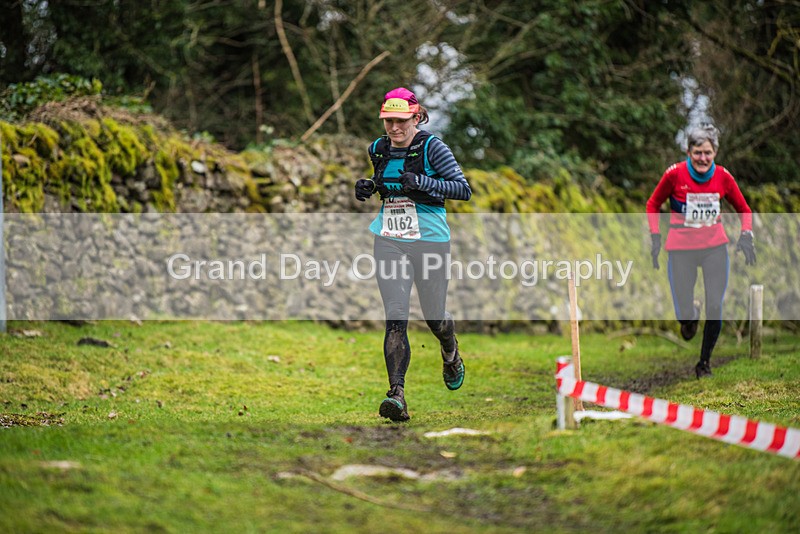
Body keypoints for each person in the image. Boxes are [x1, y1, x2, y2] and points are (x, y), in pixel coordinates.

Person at [354, 87, 472, 421]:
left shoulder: (433, 147)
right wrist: (369, 186)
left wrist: (422, 182)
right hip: (389, 240)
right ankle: (397, 396)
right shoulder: (377, 149)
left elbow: (463, 189)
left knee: (434, 315)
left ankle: (450, 352)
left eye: (401, 121)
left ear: (416, 117)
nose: (394, 128)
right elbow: (386, 184)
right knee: (396, 315)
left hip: (431, 242)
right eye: (388, 121)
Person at [646, 124, 756, 379]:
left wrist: (746, 233)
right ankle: (690, 315)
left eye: (708, 152)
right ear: (688, 151)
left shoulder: (724, 177)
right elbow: (653, 203)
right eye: (697, 152)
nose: (703, 158)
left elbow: (744, 209)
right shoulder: (674, 174)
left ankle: (704, 363)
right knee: (683, 317)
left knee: (715, 305)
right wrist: (655, 236)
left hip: (714, 248)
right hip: (681, 249)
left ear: (715, 152)